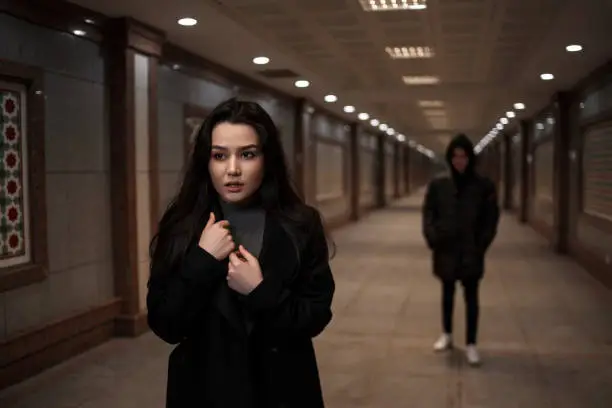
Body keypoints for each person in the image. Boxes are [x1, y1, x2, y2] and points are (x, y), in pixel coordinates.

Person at [147, 98, 336, 408]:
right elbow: (165, 323)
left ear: (267, 159)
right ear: (206, 162)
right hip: (204, 390)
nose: (232, 170)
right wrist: (203, 261)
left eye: (247, 155)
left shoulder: (300, 224)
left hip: (282, 389)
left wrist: (261, 291)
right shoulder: (182, 225)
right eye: (220, 156)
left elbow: (315, 317)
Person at [421, 134, 500, 366]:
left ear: (470, 158)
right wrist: (433, 237)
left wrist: (481, 245)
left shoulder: (483, 186)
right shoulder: (438, 185)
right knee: (447, 293)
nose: (459, 161)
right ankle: (447, 334)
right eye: (455, 157)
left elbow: (491, 219)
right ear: (449, 158)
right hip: (445, 249)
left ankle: (472, 344)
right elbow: (428, 214)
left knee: (472, 297)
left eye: (463, 156)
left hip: (470, 250)